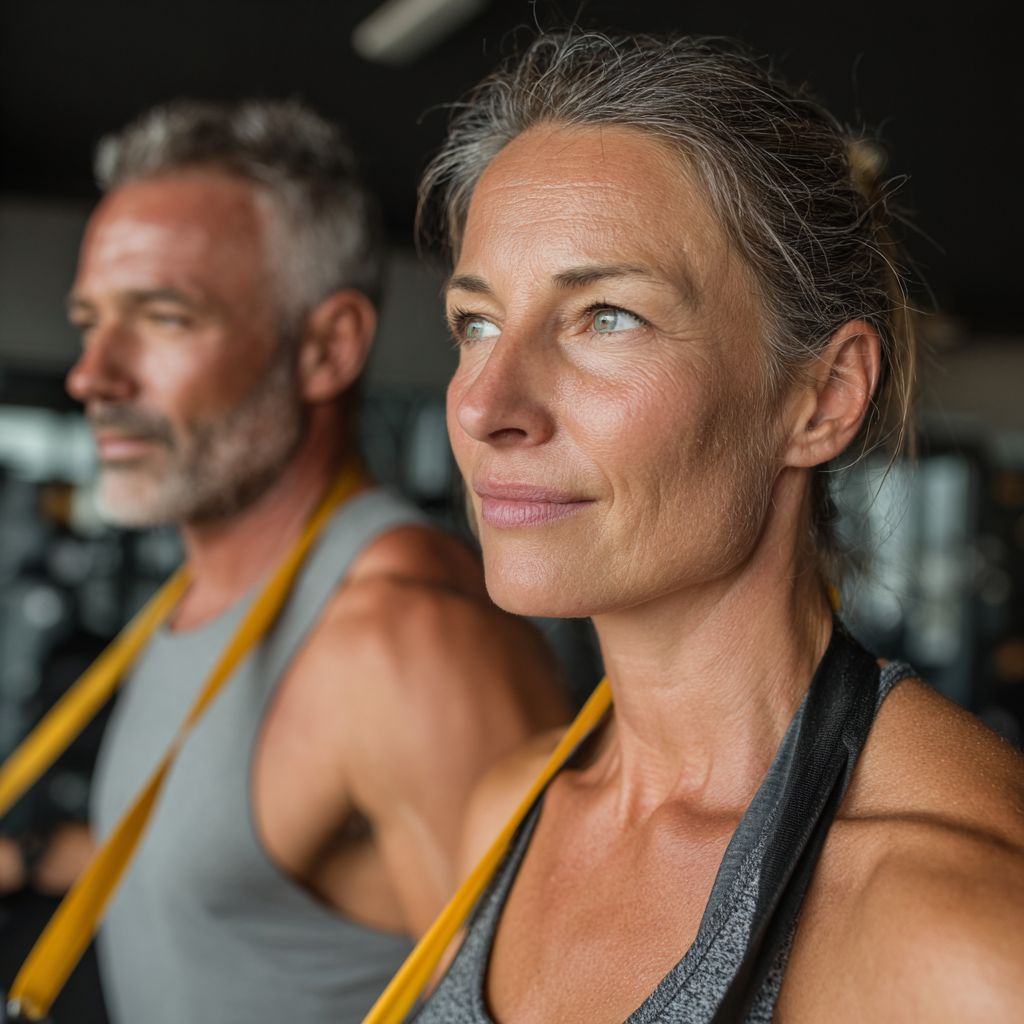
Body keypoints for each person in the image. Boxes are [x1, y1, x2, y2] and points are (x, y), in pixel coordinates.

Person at [408, 32, 1024, 1024]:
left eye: (605, 314)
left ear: (821, 398)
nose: (485, 404)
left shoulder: (960, 934)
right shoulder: (508, 812)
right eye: (475, 322)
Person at [11, 99, 570, 1024]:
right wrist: (29, 859)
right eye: (90, 321)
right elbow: (217, 864)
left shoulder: (407, 643)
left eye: (162, 317)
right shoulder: (200, 594)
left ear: (327, 348)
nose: (93, 375)